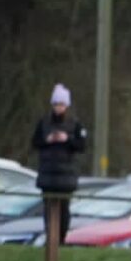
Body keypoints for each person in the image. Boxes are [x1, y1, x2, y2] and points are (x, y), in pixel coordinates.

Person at [31, 83, 87, 245]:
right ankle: (51, 239)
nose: (58, 108)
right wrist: (47, 140)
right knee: (48, 210)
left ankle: (61, 240)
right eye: (55, 104)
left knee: (63, 210)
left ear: (67, 105)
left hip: (66, 177)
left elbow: (82, 146)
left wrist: (67, 139)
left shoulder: (75, 124)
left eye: (61, 104)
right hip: (47, 175)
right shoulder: (43, 123)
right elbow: (35, 142)